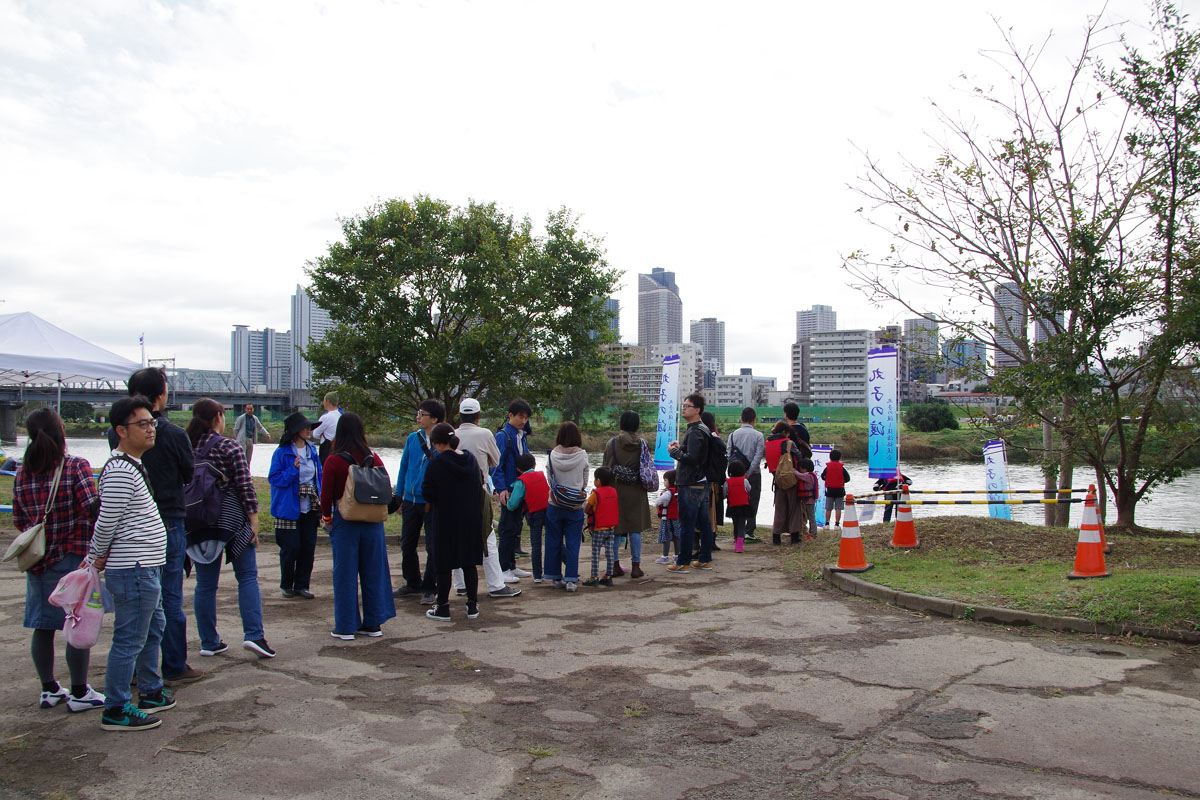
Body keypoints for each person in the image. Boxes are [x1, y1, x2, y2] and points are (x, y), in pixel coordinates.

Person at [112, 367, 201, 685]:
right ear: (160, 395)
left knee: (139, 600)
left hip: (130, 524)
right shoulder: (174, 434)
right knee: (168, 596)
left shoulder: (118, 433)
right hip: (169, 519)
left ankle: (139, 669)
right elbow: (189, 474)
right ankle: (174, 664)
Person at [13, 408, 104, 713]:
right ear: (60, 432)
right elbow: (92, 509)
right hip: (74, 558)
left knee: (43, 626)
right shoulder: (75, 466)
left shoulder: (24, 472)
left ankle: (49, 689)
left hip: (38, 561)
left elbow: (18, 518)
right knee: (76, 623)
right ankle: (79, 690)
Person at [91, 396, 173, 731]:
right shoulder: (121, 471)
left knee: (152, 629)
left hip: (144, 567)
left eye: (152, 422)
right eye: (142, 424)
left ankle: (150, 690)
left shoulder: (131, 466)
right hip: (133, 568)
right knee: (129, 639)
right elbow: (105, 522)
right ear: (121, 431)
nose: (151, 429)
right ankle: (116, 707)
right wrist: (96, 557)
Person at [186, 398, 275, 660]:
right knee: (247, 576)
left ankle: (209, 641)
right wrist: (254, 521)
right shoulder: (230, 446)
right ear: (217, 416)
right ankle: (254, 635)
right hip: (231, 520)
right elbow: (245, 487)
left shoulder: (186, 446)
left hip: (197, 521)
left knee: (205, 584)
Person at [320, 413, 397, 639]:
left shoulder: (333, 460)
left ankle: (345, 627)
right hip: (373, 523)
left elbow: (326, 496)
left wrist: (327, 518)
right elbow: (385, 487)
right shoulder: (374, 458)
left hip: (346, 521)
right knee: (374, 572)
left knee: (344, 574)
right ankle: (373, 623)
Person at [453, 398, 522, 599]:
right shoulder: (485, 434)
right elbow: (496, 461)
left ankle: (460, 584)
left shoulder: (453, 434)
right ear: (479, 415)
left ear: (460, 415)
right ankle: (495, 585)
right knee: (487, 538)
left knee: (457, 538)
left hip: (454, 493)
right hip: (478, 492)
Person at [422, 423, 486, 621]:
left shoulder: (436, 463)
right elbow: (480, 483)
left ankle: (443, 607)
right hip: (471, 517)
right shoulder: (470, 459)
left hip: (446, 518)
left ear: (437, 443)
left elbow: (428, 493)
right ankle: (472, 605)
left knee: (444, 564)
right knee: (469, 563)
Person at [392, 399, 443, 600]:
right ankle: (412, 583)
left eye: (423, 414)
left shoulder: (444, 440)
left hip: (432, 502)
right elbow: (404, 466)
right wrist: (399, 496)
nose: (418, 418)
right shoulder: (413, 438)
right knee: (407, 543)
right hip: (411, 501)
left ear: (435, 419)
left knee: (432, 546)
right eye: (418, 413)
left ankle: (430, 587)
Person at [269, 412, 322, 599]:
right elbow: (274, 479)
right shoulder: (281, 452)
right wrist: (293, 469)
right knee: (290, 547)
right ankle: (286, 584)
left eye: (310, 427)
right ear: (295, 431)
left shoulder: (312, 450)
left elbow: (319, 477)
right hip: (287, 508)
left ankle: (302, 585)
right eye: (305, 427)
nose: (309, 430)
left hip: (310, 507)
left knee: (308, 547)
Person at [666, 393, 715, 573]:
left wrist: (673, 452)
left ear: (697, 410)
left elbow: (693, 458)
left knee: (686, 523)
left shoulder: (695, 431)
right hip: (701, 482)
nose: (683, 408)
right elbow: (697, 454)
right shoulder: (702, 429)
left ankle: (683, 562)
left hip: (690, 482)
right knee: (704, 523)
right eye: (683, 405)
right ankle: (705, 559)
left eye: (687, 405)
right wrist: (681, 448)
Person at [601, 410, 652, 579]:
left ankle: (614, 565)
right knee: (635, 530)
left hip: (616, 490)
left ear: (621, 424)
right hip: (636, 489)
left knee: (617, 529)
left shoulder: (612, 443)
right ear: (637, 425)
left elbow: (606, 468)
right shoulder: (643, 443)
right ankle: (636, 567)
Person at [543, 421, 589, 592]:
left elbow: (550, 478)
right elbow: (585, 479)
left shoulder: (552, 454)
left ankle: (554, 577)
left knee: (553, 540)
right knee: (573, 542)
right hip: (575, 505)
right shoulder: (582, 455)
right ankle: (571, 579)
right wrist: (577, 488)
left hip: (554, 503)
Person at [491, 398, 533, 580]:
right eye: (520, 417)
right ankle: (502, 568)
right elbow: (495, 465)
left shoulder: (521, 436)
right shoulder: (502, 437)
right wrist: (501, 489)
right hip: (508, 489)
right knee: (507, 528)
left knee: (516, 526)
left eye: (526, 418)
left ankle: (511, 565)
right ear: (510, 415)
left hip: (519, 488)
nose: (523, 421)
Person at [506, 453, 548, 582]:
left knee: (536, 545)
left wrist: (507, 502)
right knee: (554, 541)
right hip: (548, 512)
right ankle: (568, 567)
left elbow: (512, 505)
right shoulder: (542, 476)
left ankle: (537, 576)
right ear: (534, 465)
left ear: (518, 469)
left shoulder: (521, 481)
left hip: (534, 515)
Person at [727, 407, 765, 541]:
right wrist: (748, 472)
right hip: (753, 474)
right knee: (753, 501)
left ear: (741, 419)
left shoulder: (732, 435)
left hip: (735, 476)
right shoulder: (759, 436)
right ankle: (749, 531)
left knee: (736, 501)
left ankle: (737, 532)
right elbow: (758, 456)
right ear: (754, 420)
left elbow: (729, 454)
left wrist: (735, 471)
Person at [765, 421, 803, 545]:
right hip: (790, 478)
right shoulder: (788, 443)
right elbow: (799, 456)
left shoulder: (768, 443)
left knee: (779, 508)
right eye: (788, 433)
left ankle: (776, 536)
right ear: (785, 432)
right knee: (794, 507)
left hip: (776, 478)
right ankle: (794, 535)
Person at [583, 467, 619, 587]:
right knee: (610, 552)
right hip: (611, 527)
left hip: (599, 528)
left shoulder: (596, 493)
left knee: (595, 552)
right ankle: (608, 576)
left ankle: (594, 577)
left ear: (598, 481)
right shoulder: (614, 491)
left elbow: (587, 508)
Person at [700, 411, 727, 537]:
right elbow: (722, 463)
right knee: (713, 512)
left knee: (700, 512)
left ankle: (697, 541)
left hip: (699, 481)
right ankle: (711, 540)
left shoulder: (699, 438)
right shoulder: (717, 440)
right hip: (714, 481)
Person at [653, 470, 680, 564]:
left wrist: (657, 507)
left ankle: (665, 556)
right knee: (677, 538)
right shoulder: (678, 492)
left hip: (666, 519)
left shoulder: (668, 493)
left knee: (666, 538)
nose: (664, 482)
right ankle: (677, 556)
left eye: (665, 480)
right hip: (676, 519)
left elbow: (657, 502)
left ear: (671, 481)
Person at [725, 461, 752, 553]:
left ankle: (736, 541)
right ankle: (739, 546)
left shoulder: (727, 482)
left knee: (735, 525)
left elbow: (725, 493)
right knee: (741, 526)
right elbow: (749, 489)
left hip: (732, 506)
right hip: (743, 506)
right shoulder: (744, 481)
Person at [821, 449, 851, 528]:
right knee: (838, 508)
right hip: (840, 490)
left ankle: (827, 524)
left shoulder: (827, 468)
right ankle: (837, 525)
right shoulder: (842, 468)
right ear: (840, 458)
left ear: (830, 457)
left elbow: (822, 476)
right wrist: (841, 481)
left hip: (829, 489)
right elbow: (847, 478)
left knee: (828, 508)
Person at [312, 391, 343, 465]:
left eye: (324, 400)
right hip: (340, 449)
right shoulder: (342, 415)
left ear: (328, 401)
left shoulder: (325, 417)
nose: (323, 403)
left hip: (327, 450)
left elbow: (315, 434)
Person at [796, 458, 820, 542]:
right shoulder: (811, 475)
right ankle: (810, 533)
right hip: (808, 500)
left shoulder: (808, 476)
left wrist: (793, 470)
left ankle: (813, 534)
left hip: (809, 501)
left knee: (811, 517)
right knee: (809, 517)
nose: (800, 470)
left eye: (801, 468)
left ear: (805, 469)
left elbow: (799, 475)